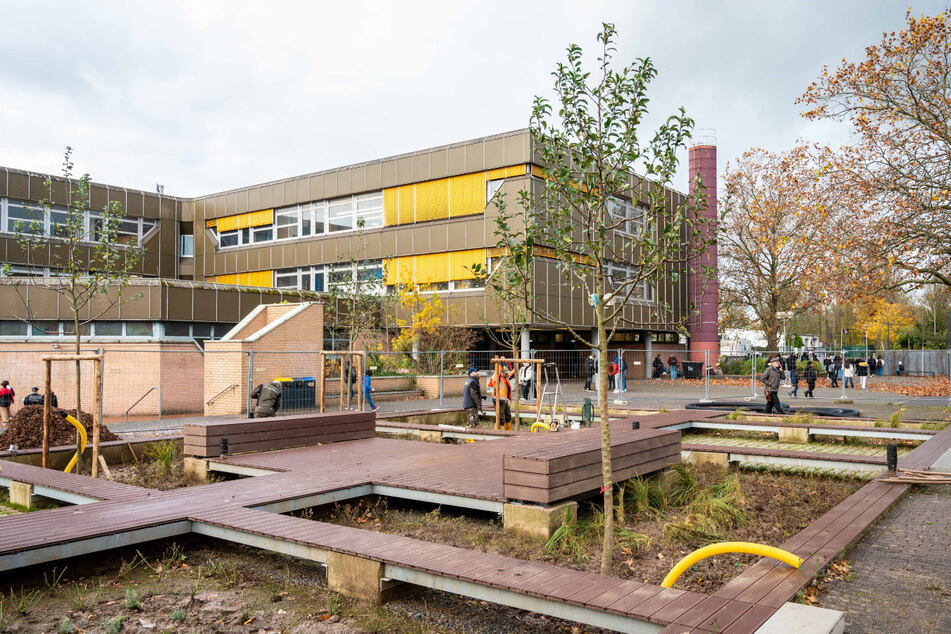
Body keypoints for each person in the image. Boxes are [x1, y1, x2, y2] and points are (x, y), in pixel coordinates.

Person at [487, 363, 516, 430]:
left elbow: (509, 374)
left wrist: (513, 370)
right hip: (498, 400)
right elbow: (496, 374)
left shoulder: (505, 377)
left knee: (508, 415)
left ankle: (508, 429)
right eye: (505, 373)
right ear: (502, 372)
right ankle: (497, 430)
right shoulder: (497, 378)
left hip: (504, 400)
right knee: (500, 417)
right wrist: (500, 365)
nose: (507, 374)